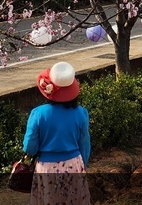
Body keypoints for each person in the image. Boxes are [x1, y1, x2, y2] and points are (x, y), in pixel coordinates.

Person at [22, 61, 91, 205]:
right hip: (74, 164)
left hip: (47, 167)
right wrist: (81, 164)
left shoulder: (38, 114)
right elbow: (85, 145)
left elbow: (30, 147)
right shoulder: (81, 113)